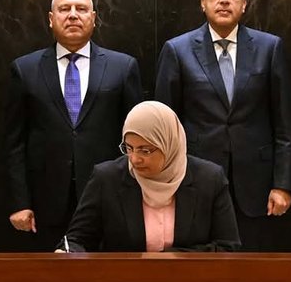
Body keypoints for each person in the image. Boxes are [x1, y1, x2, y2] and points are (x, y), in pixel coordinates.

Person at [154, 0, 291, 251]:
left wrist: (283, 184)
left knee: (253, 267)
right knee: (201, 268)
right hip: (195, 181)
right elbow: (165, 128)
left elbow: (286, 125)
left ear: (244, 3)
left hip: (257, 186)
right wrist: (167, 185)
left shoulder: (269, 48)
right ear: (203, 1)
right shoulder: (177, 50)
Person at [5, 0, 143, 251]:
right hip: (45, 202)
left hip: (109, 197)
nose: (72, 15)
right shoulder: (25, 69)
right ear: (50, 18)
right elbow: (14, 143)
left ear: (94, 18)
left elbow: (136, 139)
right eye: (64, 9)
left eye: (81, 9)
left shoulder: (123, 67)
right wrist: (20, 203)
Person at [62, 101, 240, 252]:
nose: (134, 159)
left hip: (191, 279)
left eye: (145, 150)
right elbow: (77, 240)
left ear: (169, 145)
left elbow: (228, 247)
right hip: (123, 279)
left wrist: (168, 260)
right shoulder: (107, 179)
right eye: (128, 148)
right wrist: (68, 252)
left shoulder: (209, 180)